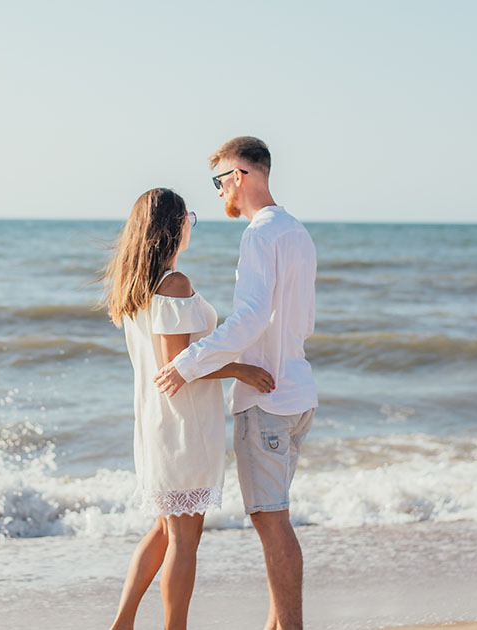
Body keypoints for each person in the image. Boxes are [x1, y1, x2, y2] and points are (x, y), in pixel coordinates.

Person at [153, 137, 317, 630]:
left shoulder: (259, 235)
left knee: (271, 520)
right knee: (276, 515)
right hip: (297, 391)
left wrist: (187, 363)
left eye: (221, 179)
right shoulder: (297, 232)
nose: (220, 190)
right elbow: (301, 321)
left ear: (241, 176)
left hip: (267, 400)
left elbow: (248, 319)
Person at [100, 187, 275, 630]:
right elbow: (175, 366)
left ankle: (121, 624)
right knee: (183, 537)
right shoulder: (174, 284)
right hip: (183, 425)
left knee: (166, 530)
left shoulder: (137, 287)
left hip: (159, 421)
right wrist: (240, 369)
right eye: (188, 219)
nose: (189, 226)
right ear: (172, 227)